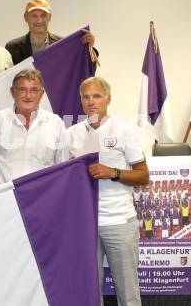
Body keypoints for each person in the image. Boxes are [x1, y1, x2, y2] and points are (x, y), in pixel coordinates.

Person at [66, 76, 149, 306]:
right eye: (86, 97)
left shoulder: (124, 130)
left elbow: (143, 176)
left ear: (108, 99)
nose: (91, 102)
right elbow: (61, 180)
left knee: (128, 293)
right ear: (81, 101)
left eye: (97, 96)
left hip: (119, 221)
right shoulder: (71, 134)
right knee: (88, 292)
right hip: (84, 223)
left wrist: (113, 172)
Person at [0, 69, 67, 186]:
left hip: (44, 196)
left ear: (41, 94)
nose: (28, 96)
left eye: (34, 90)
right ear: (12, 92)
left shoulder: (56, 123)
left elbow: (61, 165)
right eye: (22, 89)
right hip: (7, 199)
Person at [5, 0, 97, 67]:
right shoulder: (12, 48)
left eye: (43, 15)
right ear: (25, 17)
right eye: (34, 16)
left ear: (49, 17)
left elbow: (82, 70)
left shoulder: (63, 45)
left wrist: (89, 49)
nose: (39, 20)